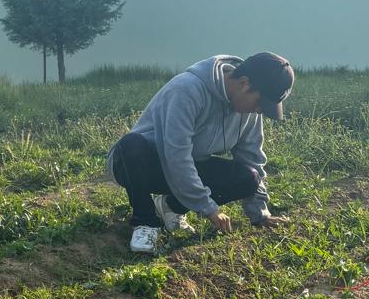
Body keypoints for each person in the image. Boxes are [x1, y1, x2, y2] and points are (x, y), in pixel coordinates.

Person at [108, 53, 294, 254]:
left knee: (249, 177)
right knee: (132, 143)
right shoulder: (186, 89)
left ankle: (171, 207)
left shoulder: (248, 111)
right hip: (139, 165)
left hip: (189, 164)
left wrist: (261, 213)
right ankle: (145, 223)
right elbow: (176, 155)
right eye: (259, 103)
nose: (259, 111)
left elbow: (252, 157)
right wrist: (209, 209)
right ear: (244, 83)